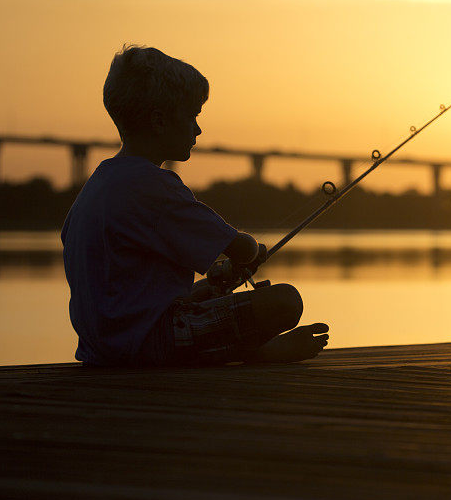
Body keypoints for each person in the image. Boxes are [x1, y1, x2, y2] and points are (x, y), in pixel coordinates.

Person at [61, 44, 329, 367]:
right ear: (159, 121)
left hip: (103, 350)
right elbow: (239, 247)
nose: (198, 129)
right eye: (192, 117)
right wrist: (254, 252)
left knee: (208, 291)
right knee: (286, 301)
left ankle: (241, 345)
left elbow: (134, 296)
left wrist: (217, 281)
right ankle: (259, 352)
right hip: (152, 345)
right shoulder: (155, 187)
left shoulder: (96, 187)